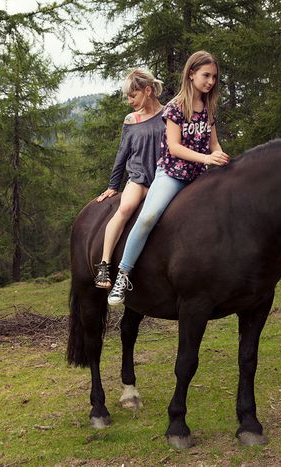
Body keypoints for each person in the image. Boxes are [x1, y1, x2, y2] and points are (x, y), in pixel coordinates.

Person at [108, 51, 231, 305]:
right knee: (147, 218)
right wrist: (207, 158)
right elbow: (174, 147)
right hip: (173, 174)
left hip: (199, 175)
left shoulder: (208, 108)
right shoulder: (176, 107)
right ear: (191, 74)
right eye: (206, 76)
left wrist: (220, 156)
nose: (210, 82)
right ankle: (123, 273)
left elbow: (214, 143)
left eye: (214, 77)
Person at [93, 69, 165, 289]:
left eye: (133, 95)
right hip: (138, 178)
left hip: (162, 178)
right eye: (128, 96)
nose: (129, 101)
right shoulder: (131, 120)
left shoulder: (168, 114)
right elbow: (122, 153)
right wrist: (113, 186)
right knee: (124, 210)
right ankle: (104, 265)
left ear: (148, 90)